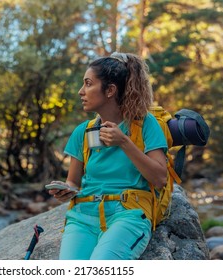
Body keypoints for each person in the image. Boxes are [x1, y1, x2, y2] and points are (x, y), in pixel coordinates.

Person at [47, 52, 168, 260]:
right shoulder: (83, 132)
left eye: (88, 84)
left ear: (110, 90)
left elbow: (159, 178)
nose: (80, 91)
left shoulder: (145, 125)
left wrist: (124, 142)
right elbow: (73, 182)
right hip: (83, 217)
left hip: (128, 214)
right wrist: (66, 191)